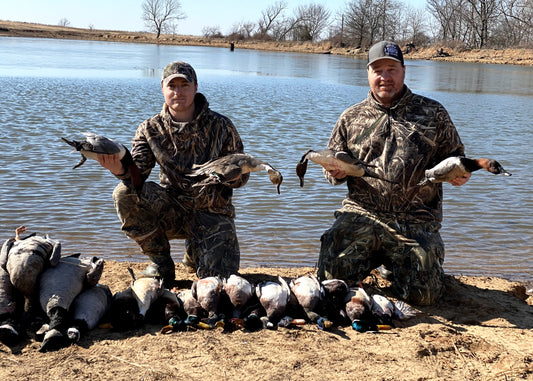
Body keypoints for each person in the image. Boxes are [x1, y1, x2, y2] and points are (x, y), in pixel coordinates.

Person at [316, 41, 470, 305]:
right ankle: (376, 258)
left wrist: (461, 173)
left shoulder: (433, 113)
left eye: (391, 69)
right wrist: (336, 174)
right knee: (329, 284)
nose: (385, 77)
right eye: (378, 70)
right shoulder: (350, 118)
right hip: (362, 214)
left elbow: (457, 158)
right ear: (368, 73)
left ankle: (393, 264)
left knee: (425, 297)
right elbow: (330, 171)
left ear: (404, 71)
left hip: (416, 220)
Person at [97, 61, 248, 287]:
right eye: (172, 86)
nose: (178, 92)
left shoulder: (221, 126)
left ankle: (194, 251)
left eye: (184, 85)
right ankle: (161, 263)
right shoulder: (149, 128)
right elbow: (138, 176)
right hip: (171, 210)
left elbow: (243, 176)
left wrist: (234, 176)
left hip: (212, 213)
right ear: (163, 89)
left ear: (195, 87)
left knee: (219, 282)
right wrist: (117, 168)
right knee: (124, 193)